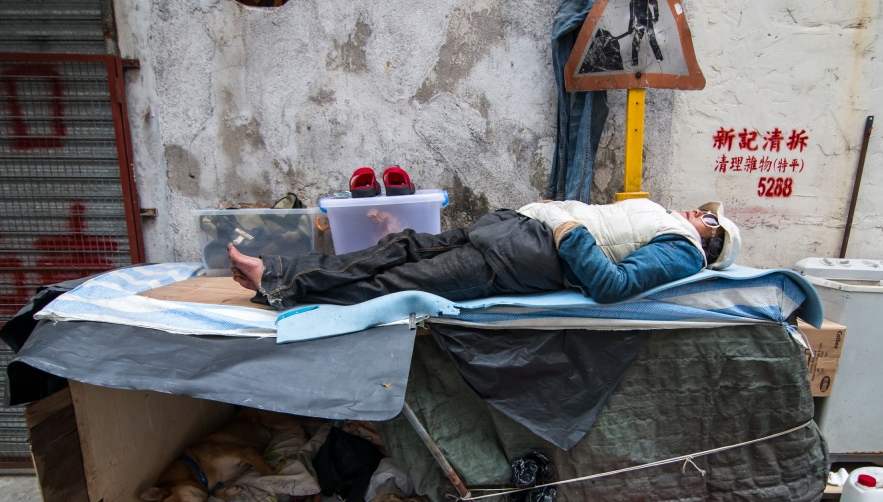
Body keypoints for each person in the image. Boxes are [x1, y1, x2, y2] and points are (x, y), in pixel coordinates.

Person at [228, 198, 741, 311]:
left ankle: (280, 289)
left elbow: (612, 286)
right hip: (515, 229)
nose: (699, 212)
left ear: (711, 243)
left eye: (709, 218)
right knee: (400, 246)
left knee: (400, 281)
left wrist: (567, 227)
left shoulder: (684, 252)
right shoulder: (668, 222)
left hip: (523, 256)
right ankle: (277, 273)